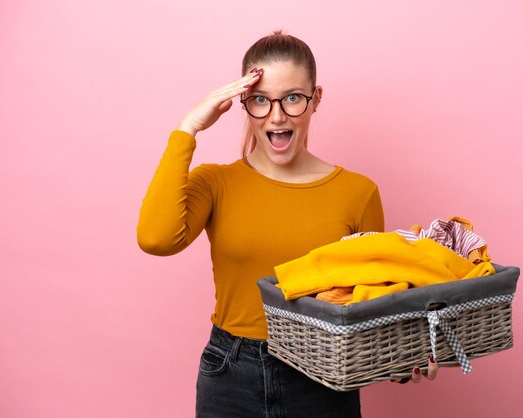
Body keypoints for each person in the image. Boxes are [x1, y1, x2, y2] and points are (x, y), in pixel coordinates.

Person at [136, 30, 438, 418]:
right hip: (231, 372)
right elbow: (156, 239)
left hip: (323, 375)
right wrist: (187, 129)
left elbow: (371, 299)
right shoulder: (215, 182)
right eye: (261, 100)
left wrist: (400, 359)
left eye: (293, 98)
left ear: (316, 100)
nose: (277, 116)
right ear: (243, 103)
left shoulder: (357, 192)